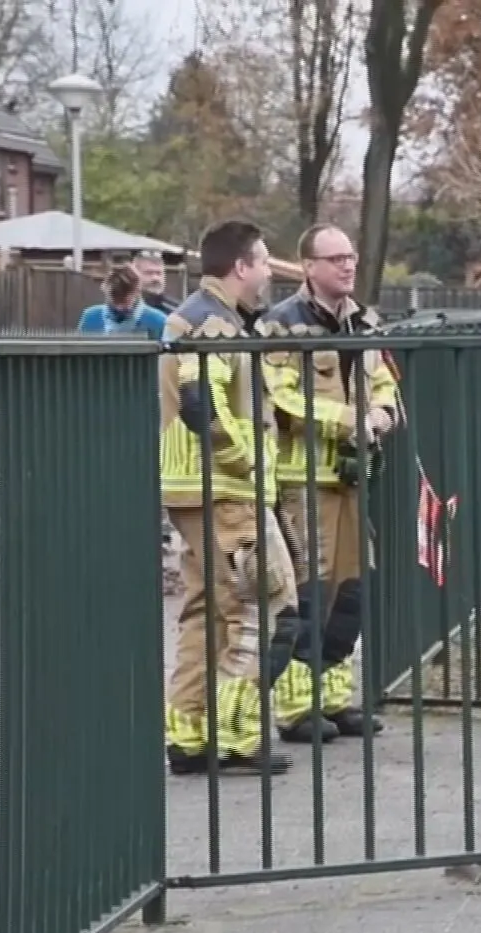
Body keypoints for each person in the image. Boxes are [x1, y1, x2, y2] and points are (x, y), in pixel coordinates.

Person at [159, 220, 302, 776]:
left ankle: (190, 732)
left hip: (197, 488)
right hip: (223, 490)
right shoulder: (212, 323)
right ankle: (237, 731)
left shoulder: (200, 316)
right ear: (241, 266)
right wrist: (248, 461)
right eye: (264, 262)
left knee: (206, 613)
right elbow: (203, 409)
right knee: (263, 608)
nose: (268, 273)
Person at [257, 224, 400, 741]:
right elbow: (282, 396)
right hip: (304, 477)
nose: (347, 266)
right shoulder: (281, 324)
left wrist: (383, 411)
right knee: (310, 590)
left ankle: (334, 699)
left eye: (351, 257)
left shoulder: (365, 321)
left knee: (352, 589)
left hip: (352, 474)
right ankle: (296, 709)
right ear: (309, 266)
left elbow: (382, 377)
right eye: (335, 258)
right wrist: (346, 419)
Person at [77, 265, 168, 339]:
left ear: (137, 292)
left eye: (125, 301)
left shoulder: (159, 321)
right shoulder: (90, 317)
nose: (119, 307)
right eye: (115, 301)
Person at [134, 250, 176, 315]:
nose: (155, 278)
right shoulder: (121, 309)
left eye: (159, 273)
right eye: (149, 273)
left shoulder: (177, 311)